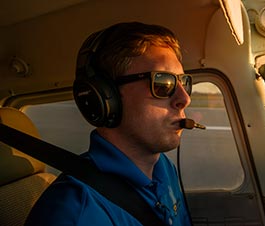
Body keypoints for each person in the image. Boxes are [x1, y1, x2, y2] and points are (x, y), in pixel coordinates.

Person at [25, 21, 193, 226]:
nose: (185, 99)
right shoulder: (76, 213)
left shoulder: (163, 167)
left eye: (183, 82)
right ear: (106, 97)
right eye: (163, 83)